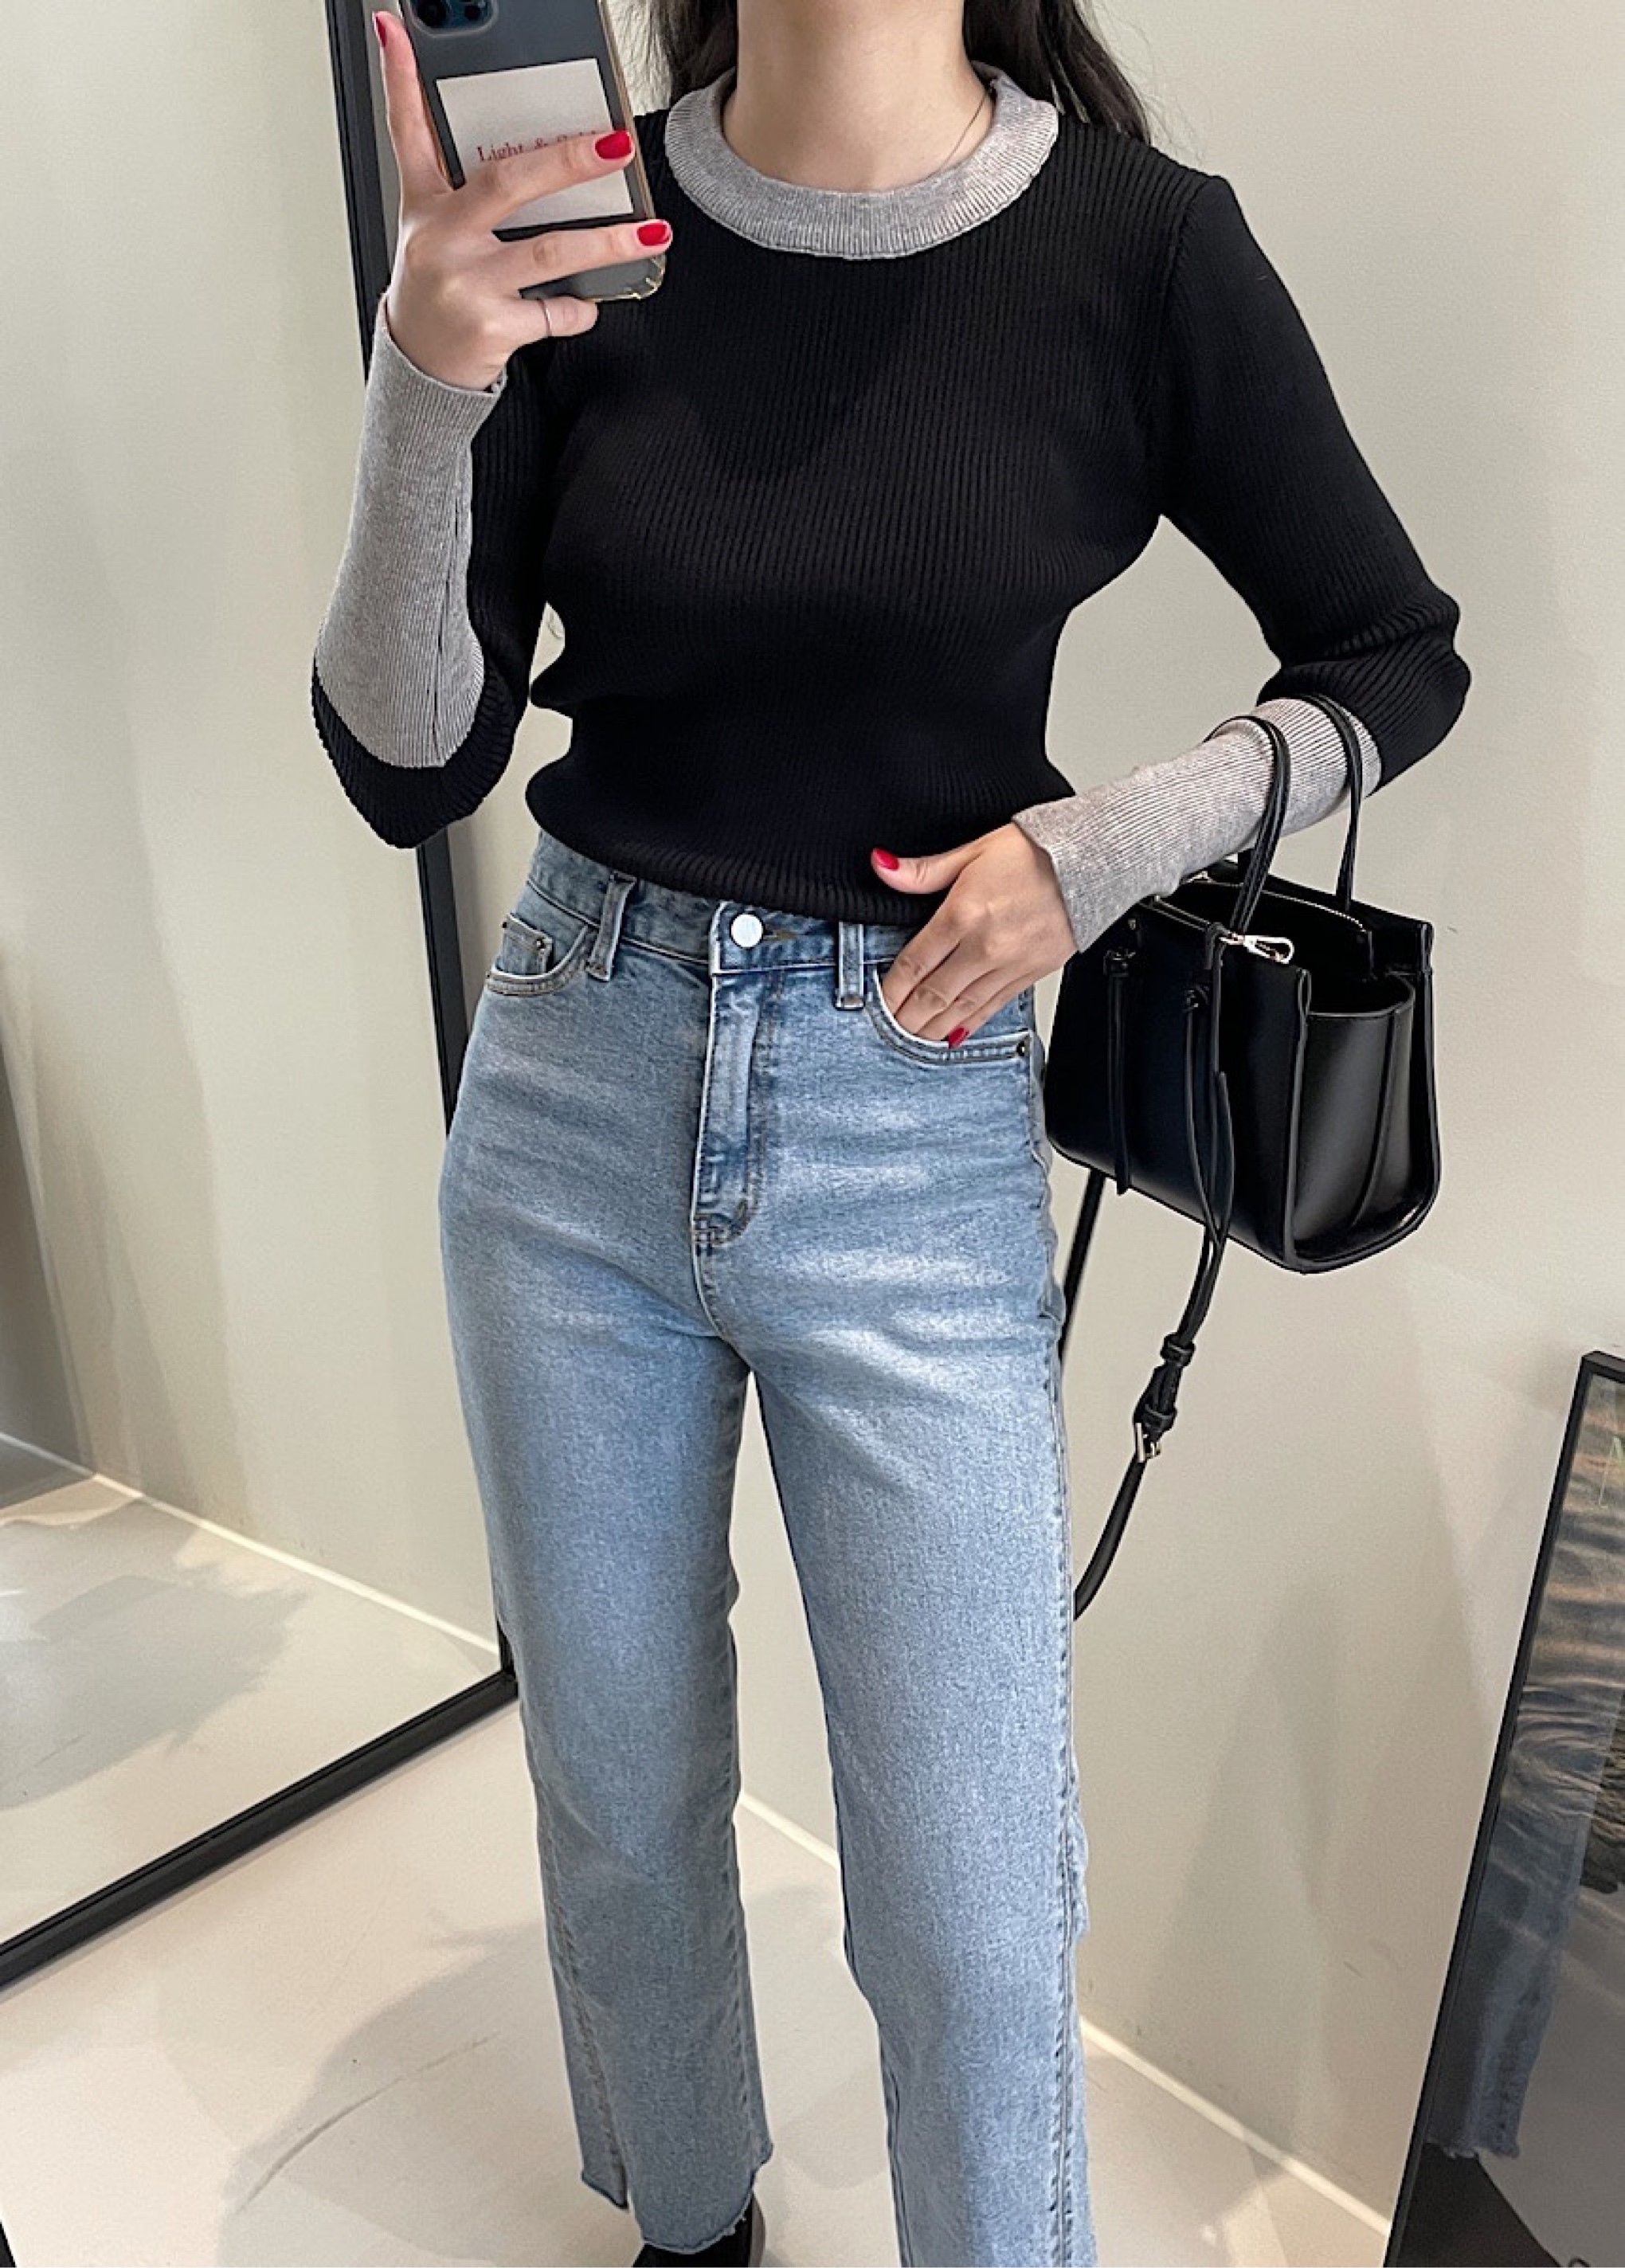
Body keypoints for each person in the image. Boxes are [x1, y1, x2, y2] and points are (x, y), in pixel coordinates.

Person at [310, 6, 1470, 2262]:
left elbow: (1391, 653)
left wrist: (1093, 852)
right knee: (619, 1792)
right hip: (571, 1081)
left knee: (970, 1887)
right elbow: (407, 764)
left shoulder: (1139, 251)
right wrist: (426, 379)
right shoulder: (586, 222)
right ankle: (690, 2224)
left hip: (908, 1108)